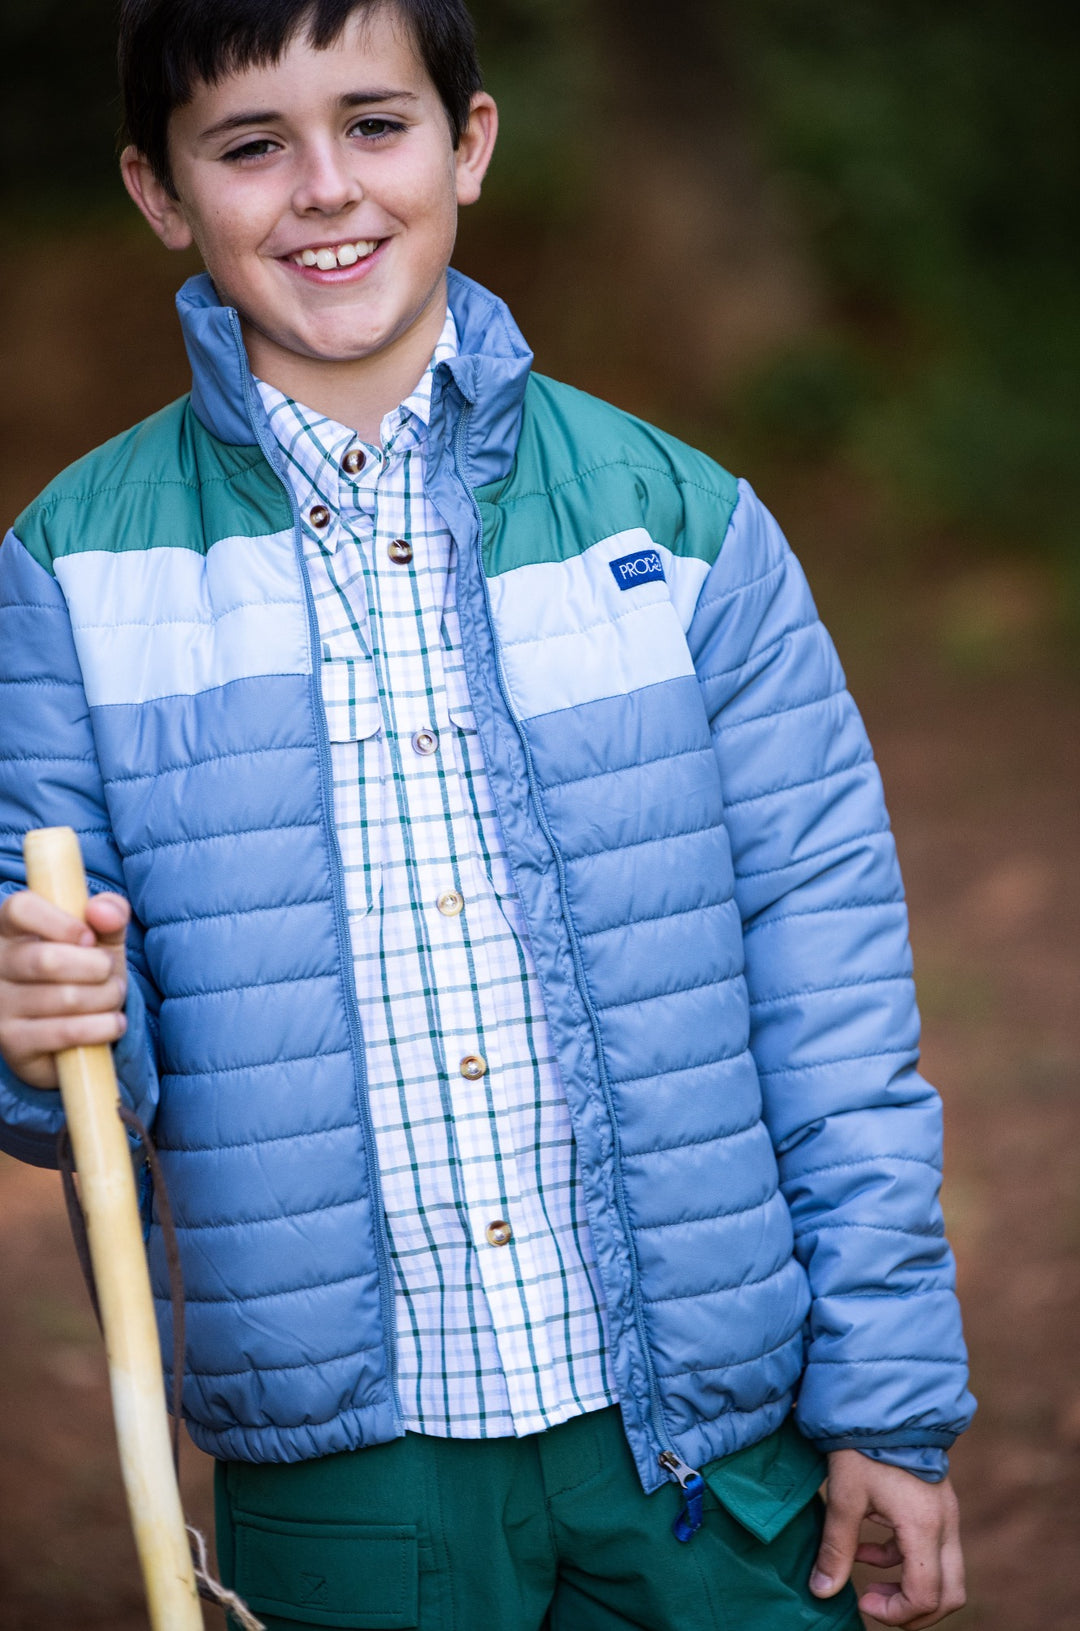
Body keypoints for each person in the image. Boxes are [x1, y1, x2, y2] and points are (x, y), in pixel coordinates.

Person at [0, 1, 974, 1625]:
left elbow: (835, 1002)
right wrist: (36, 1026)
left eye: (375, 125)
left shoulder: (686, 528)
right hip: (344, 1475)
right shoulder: (71, 578)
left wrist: (883, 1394)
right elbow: (68, 1070)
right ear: (160, 193)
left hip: (710, 1452)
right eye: (251, 145)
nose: (324, 188)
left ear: (469, 143)